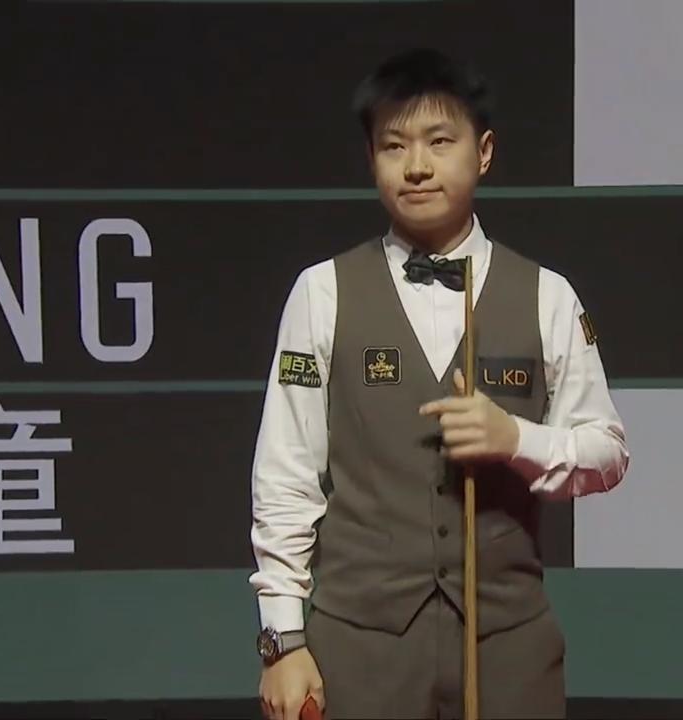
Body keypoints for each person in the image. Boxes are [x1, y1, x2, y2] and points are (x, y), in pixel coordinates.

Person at [249, 47, 630, 720]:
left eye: (439, 142)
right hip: (360, 645)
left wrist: (516, 439)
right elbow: (285, 477)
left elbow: (607, 454)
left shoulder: (547, 295)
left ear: (483, 153)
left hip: (507, 644)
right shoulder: (322, 291)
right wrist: (283, 640)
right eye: (394, 146)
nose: (417, 166)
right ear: (371, 158)